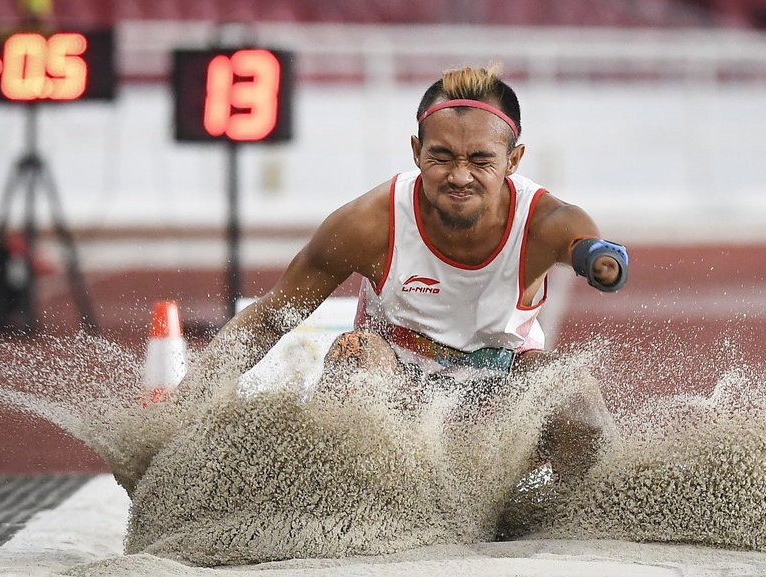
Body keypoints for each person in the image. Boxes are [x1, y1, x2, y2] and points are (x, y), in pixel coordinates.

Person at [182, 65, 628, 492]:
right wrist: (182, 407)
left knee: (572, 388)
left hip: (500, 419)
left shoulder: (544, 221)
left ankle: (593, 513)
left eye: (480, 160)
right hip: (396, 414)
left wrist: (597, 258)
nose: (459, 176)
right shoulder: (369, 223)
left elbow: (582, 241)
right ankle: (341, 505)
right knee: (355, 356)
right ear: (416, 151)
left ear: (513, 160)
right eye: (441, 157)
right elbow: (269, 318)